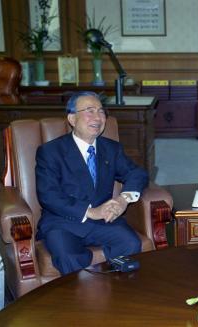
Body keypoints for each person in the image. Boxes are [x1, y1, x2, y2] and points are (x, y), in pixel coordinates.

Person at [35, 91, 148, 275]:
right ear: (72, 118)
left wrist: (123, 200)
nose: (98, 117)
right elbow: (49, 195)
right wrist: (89, 212)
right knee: (68, 255)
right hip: (63, 221)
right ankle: (82, 300)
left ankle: (113, 292)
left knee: (130, 243)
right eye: (90, 111)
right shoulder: (51, 151)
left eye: (101, 111)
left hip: (104, 219)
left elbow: (137, 173)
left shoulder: (111, 149)